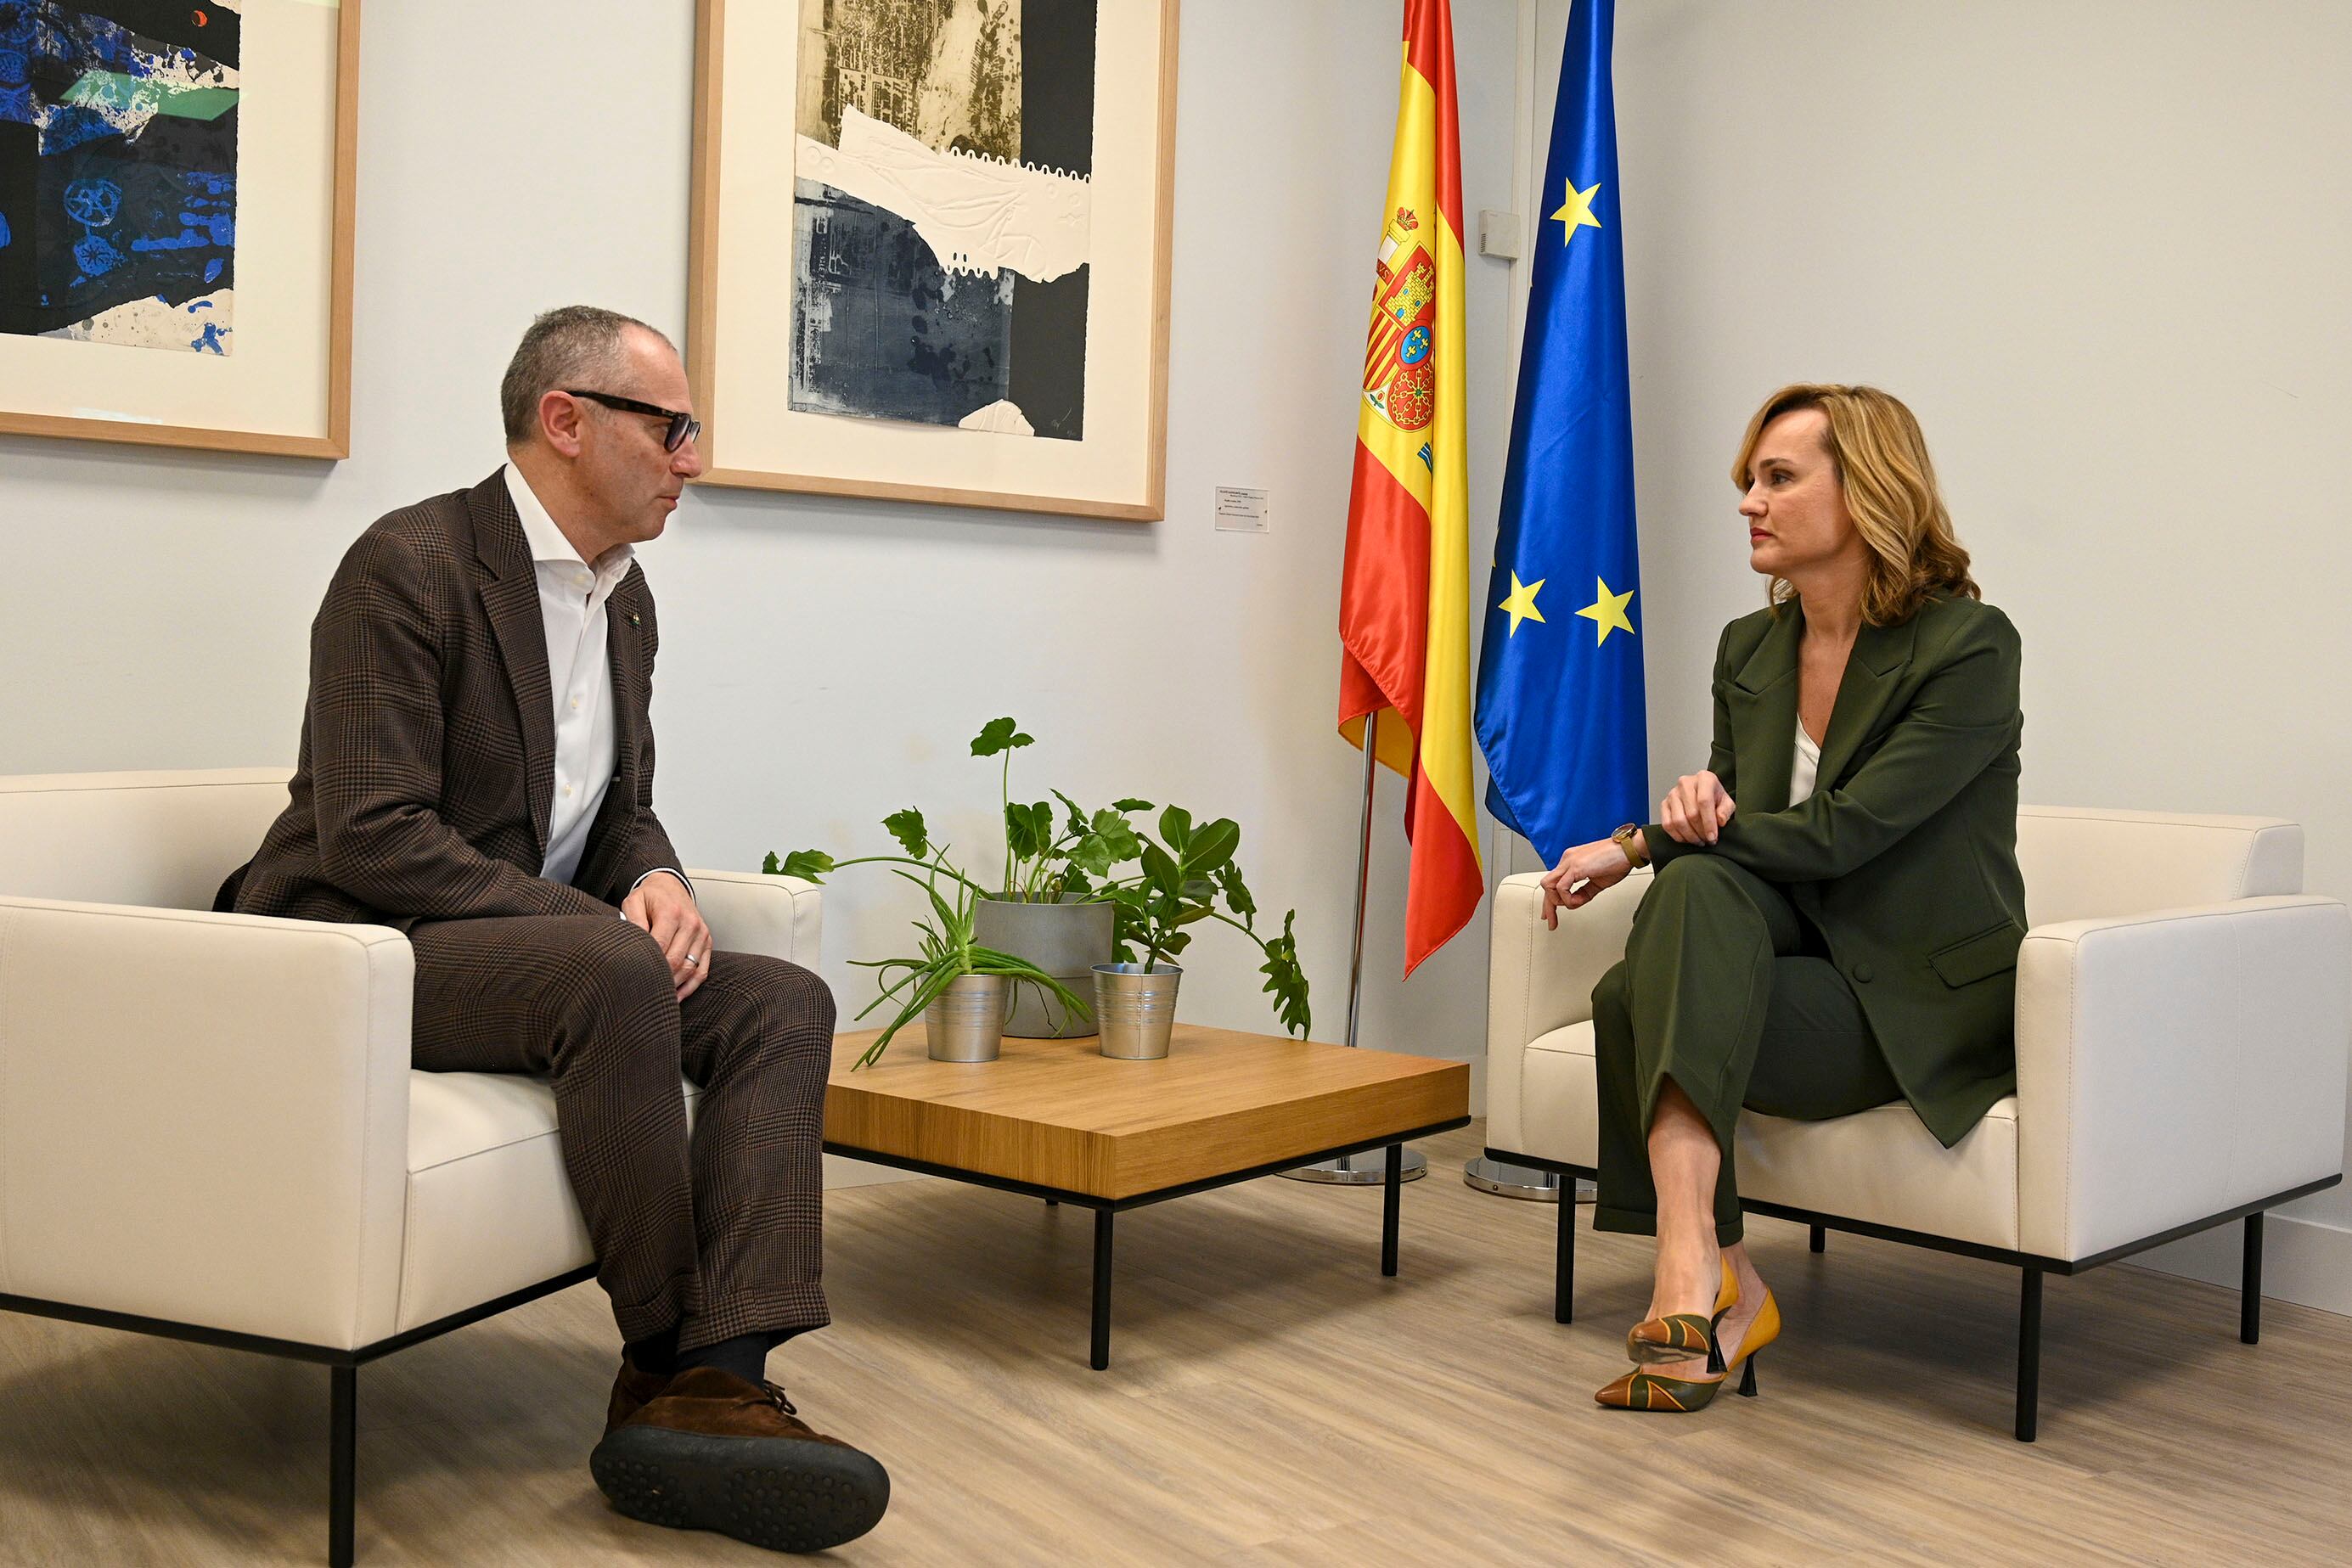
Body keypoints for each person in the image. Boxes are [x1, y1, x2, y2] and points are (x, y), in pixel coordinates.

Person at [219, 306, 889, 1549]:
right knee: (606, 964)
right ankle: (660, 1347)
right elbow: (372, 830)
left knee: (783, 1004)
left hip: (523, 946)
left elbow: (619, 806)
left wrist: (663, 879)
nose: (692, 458)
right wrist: (599, 919)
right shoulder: (409, 564)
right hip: (355, 943)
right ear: (565, 420)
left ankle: (714, 1380)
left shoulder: (622, 602)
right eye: (672, 427)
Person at [1538, 383, 2024, 1413]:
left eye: (1778, 477)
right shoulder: (1747, 648)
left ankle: (1719, 1282)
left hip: (1904, 997)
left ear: (1867, 491)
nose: (1749, 501)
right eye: (1747, 481)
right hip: (1796, 958)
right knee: (1688, 908)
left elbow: (1846, 835)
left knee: (1636, 994)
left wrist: (1644, 838)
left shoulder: (1969, 648)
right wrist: (1696, 803)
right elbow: (1731, 836)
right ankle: (1701, 1269)